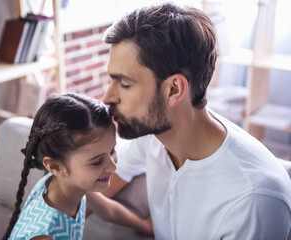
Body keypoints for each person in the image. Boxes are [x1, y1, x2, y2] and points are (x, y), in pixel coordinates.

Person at [101, 2, 291, 240]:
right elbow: (92, 186)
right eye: (111, 80)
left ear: (174, 90)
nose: (107, 97)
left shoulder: (253, 199)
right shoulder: (153, 135)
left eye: (125, 84)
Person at [2, 93, 153, 240]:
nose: (112, 166)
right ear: (55, 166)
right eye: (96, 161)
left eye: (112, 150)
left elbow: (108, 211)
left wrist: (146, 226)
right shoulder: (45, 234)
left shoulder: (72, 184)